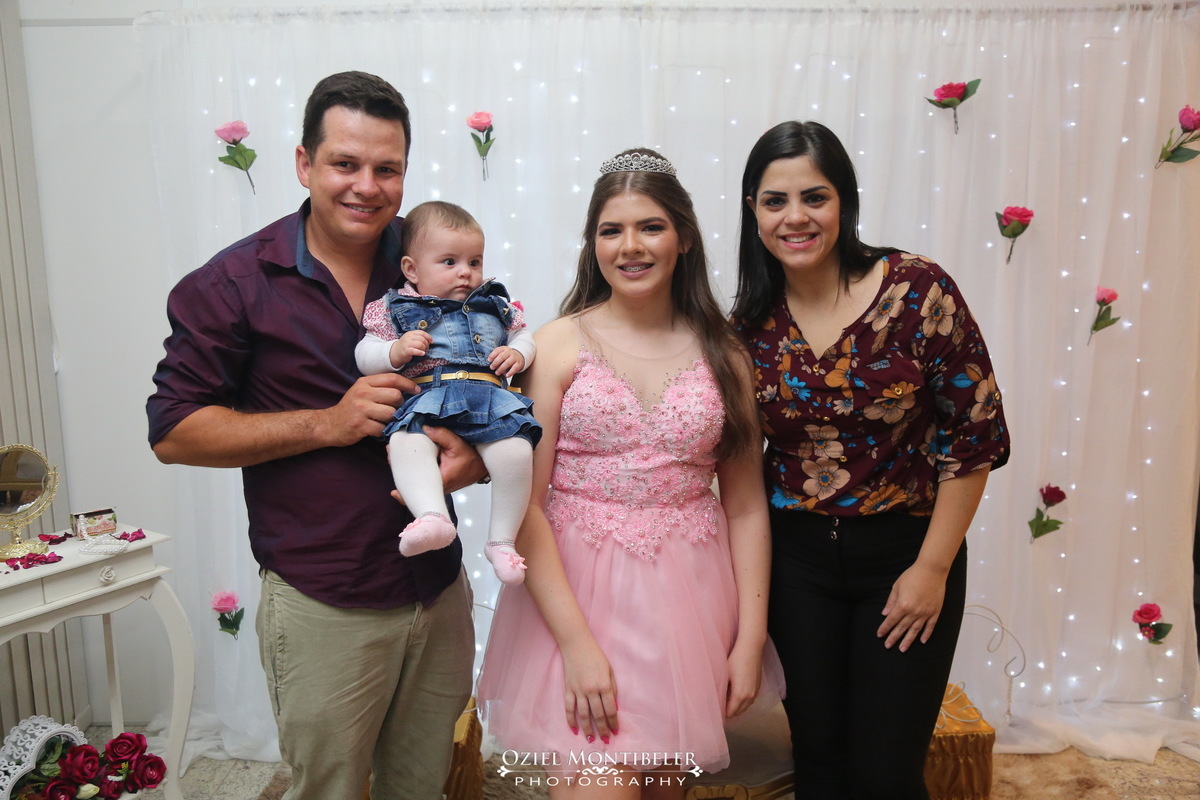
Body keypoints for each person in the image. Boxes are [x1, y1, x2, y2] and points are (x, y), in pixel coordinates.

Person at [146, 71, 476, 800]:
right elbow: (174, 430)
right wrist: (326, 423)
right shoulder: (233, 283)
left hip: (436, 586)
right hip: (325, 596)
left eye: (387, 168)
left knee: (424, 786)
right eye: (345, 164)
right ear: (304, 163)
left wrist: (476, 455)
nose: (367, 187)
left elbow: (484, 373)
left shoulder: (430, 258)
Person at [478, 149, 780, 799]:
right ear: (593, 244)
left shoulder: (726, 353)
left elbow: (746, 505)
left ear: (684, 237)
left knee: (667, 788)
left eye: (651, 227)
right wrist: (577, 645)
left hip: (690, 605)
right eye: (611, 230)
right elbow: (525, 504)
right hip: (577, 599)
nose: (630, 246)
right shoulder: (557, 344)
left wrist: (750, 639)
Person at [731, 120, 1010, 800]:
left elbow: (973, 439)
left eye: (815, 197)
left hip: (906, 555)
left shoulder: (918, 291)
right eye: (775, 201)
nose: (795, 217)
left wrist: (932, 569)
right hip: (796, 565)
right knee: (819, 762)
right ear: (753, 211)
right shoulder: (748, 324)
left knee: (886, 773)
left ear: (845, 202)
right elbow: (736, 466)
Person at [355, 200, 540, 584]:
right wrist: (393, 352)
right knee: (406, 442)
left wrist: (518, 353)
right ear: (412, 269)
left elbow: (524, 336)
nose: (465, 273)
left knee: (516, 451)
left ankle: (502, 540)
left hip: (489, 398)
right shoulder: (396, 307)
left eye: (474, 262)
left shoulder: (495, 305)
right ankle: (432, 517)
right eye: (449, 262)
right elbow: (364, 353)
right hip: (430, 397)